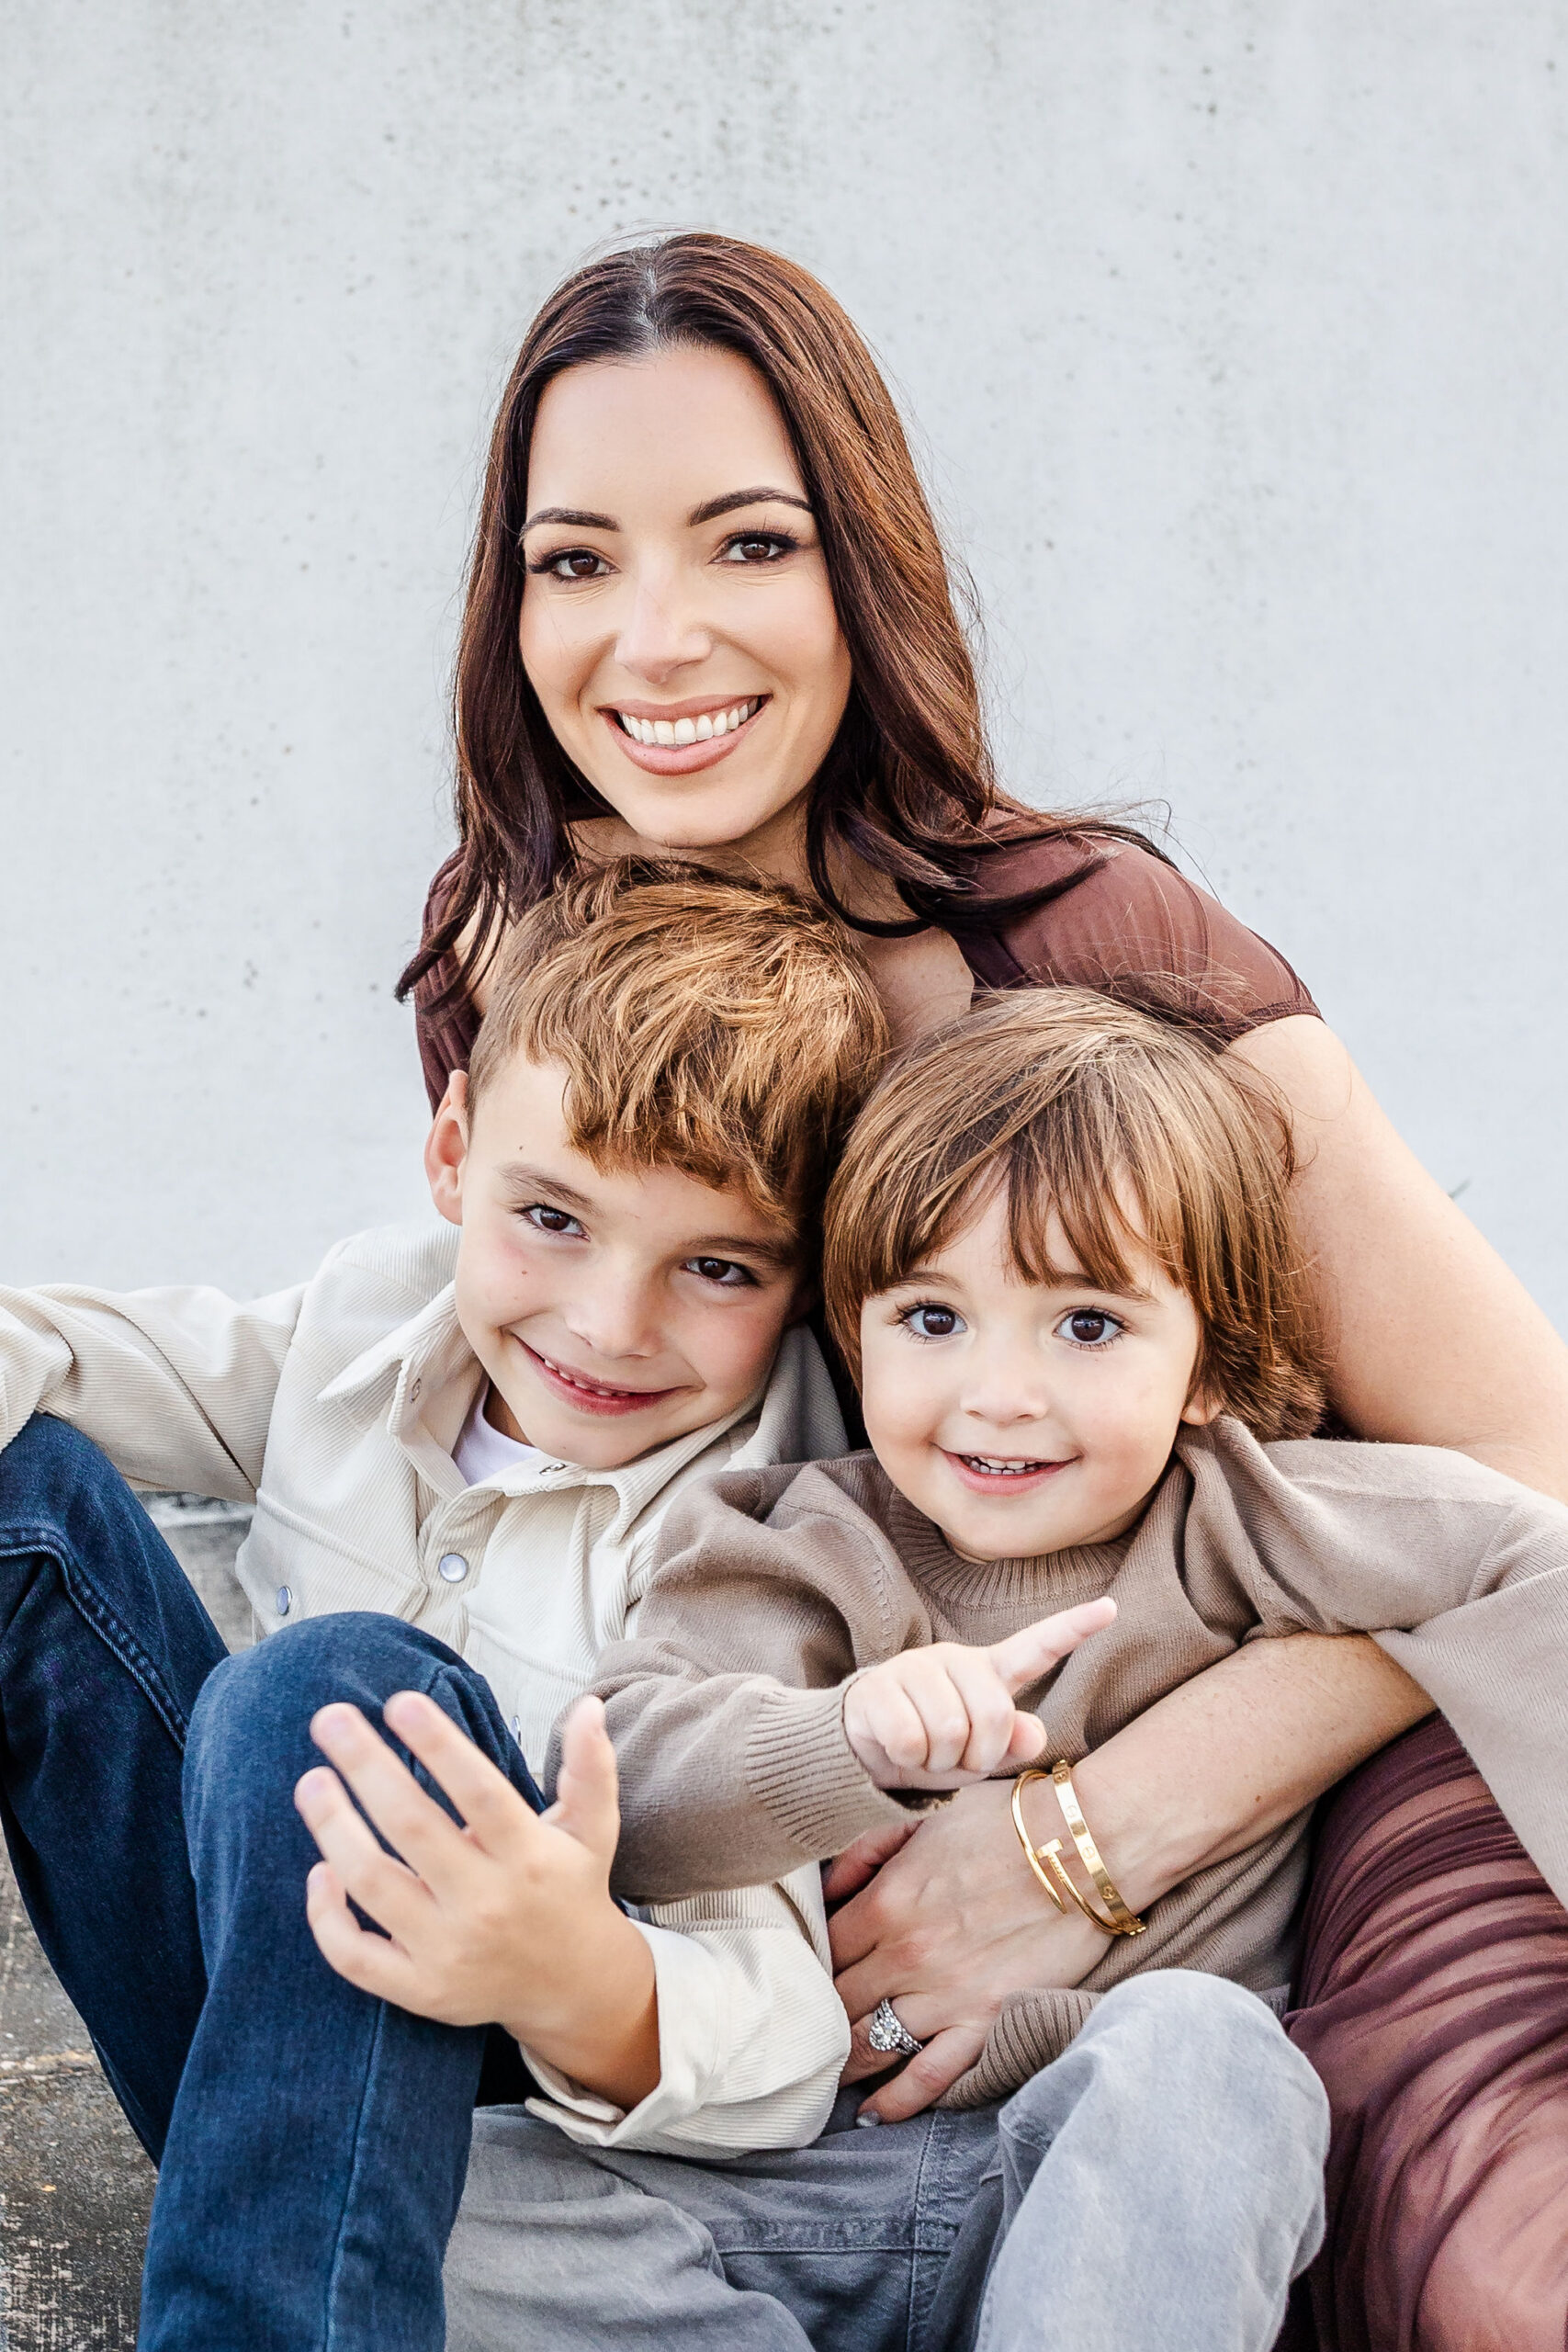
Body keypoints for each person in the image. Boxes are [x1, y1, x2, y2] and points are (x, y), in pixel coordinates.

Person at [399, 230, 1568, 2342]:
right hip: (822, 1783)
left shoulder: (1097, 945)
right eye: (573, 561)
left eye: (744, 541)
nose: (651, 638)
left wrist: (1080, 1836)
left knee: (1494, 2279)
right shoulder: (519, 958)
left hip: (1314, 1723)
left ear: (861, 564)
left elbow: (1529, 1474)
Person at [443, 986, 1568, 2352]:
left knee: (1207, 2052)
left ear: (1208, 1358)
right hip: (800, 2181)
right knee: (471, 2195)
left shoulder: (1253, 1523)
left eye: (1086, 1325)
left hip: (1112, 2189)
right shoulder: (801, 1538)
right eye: (933, 1318)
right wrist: (847, 1739)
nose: (1001, 1392)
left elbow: (1539, 1565)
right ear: (853, 1330)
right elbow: (634, 1792)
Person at [0, 862, 891, 2349]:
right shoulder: (375, 1315)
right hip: (250, 2056)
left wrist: (574, 1976)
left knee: (334, 1692)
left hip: (494, 2151)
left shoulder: (757, 1544)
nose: (608, 1321)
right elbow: (83, 1359)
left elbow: (791, 2043)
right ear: (454, 1150)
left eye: (716, 1266)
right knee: (18, 1496)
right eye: (551, 1217)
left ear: (805, 1287)